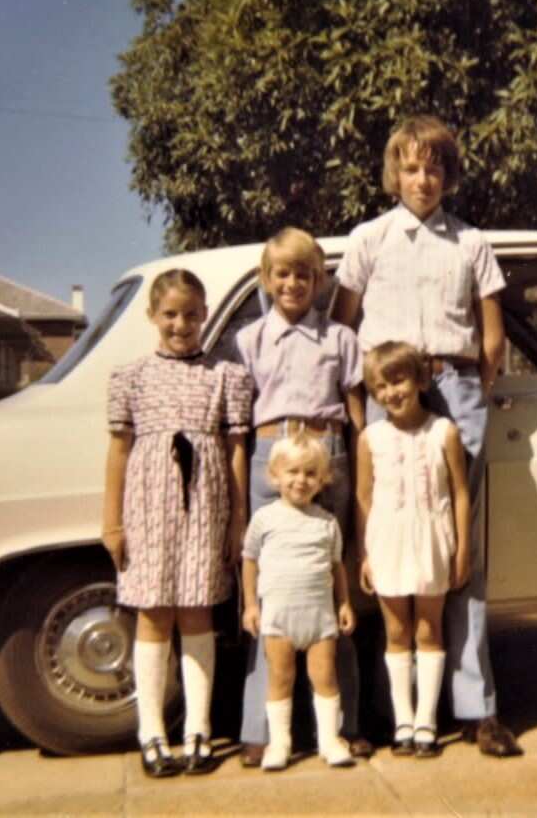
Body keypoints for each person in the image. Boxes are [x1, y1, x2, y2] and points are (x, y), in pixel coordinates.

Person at [333, 114, 522, 757]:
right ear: (394, 174)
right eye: (411, 167)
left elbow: (491, 336)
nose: (423, 178)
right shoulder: (369, 238)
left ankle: (477, 709)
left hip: (455, 388)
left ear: (449, 174)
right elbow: (342, 332)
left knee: (456, 550)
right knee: (386, 548)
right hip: (389, 397)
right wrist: (363, 413)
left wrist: (473, 390)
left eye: (434, 166)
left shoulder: (471, 243)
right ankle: (396, 716)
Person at [102, 268, 252, 778]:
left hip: (205, 509)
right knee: (153, 615)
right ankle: (151, 733)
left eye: (191, 314)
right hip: (148, 509)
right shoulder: (132, 377)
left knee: (197, 614)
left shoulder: (224, 376)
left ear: (206, 314)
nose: (181, 324)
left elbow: (235, 452)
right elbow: (119, 452)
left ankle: (199, 730)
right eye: (170, 314)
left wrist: (237, 520)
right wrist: (112, 522)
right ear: (152, 317)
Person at [235, 226, 370, 766]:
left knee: (329, 580)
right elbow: (237, 426)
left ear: (319, 281)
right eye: (282, 274)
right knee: (273, 590)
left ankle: (346, 723)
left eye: (304, 274)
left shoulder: (340, 338)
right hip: (271, 452)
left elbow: (357, 413)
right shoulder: (249, 340)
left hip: (328, 451)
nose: (293, 283)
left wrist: (362, 475)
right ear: (266, 281)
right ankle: (260, 727)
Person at [357, 342, 471, 757]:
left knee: (428, 629)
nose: (391, 393)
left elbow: (460, 492)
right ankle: (402, 721)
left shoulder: (444, 432)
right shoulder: (371, 438)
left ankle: (427, 721)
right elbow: (364, 498)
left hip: (432, 539)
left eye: (398, 380)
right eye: (380, 387)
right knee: (397, 631)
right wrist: (366, 555)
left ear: (421, 379)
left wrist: (462, 550)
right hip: (387, 540)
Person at [241, 434, 357, 769]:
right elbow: (249, 561)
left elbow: (336, 568)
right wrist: (251, 605)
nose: (301, 480)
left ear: (322, 480)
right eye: (292, 471)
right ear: (275, 475)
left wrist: (345, 604)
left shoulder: (326, 522)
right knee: (280, 678)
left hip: (319, 618)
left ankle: (330, 740)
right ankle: (279, 744)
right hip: (278, 616)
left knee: (325, 677)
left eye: (310, 474)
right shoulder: (264, 519)